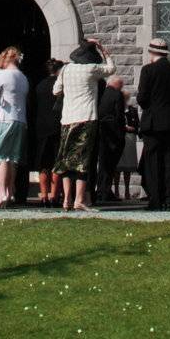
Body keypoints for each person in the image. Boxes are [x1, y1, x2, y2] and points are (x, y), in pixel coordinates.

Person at [54, 39, 114, 211]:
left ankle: (67, 199)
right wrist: (103, 49)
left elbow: (56, 90)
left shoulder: (65, 69)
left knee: (65, 159)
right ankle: (79, 199)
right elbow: (111, 68)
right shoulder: (91, 69)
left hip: (67, 119)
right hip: (86, 117)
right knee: (83, 160)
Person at [135, 38, 170, 212]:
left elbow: (142, 98)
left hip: (153, 123)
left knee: (153, 163)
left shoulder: (148, 70)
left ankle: (155, 200)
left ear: (151, 52)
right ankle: (169, 200)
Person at [0, 47, 30, 209]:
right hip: (19, 120)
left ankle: (2, 193)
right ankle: (10, 191)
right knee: (12, 158)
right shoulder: (23, 77)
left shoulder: (2, 75)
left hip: (3, 118)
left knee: (1, 157)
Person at [30, 58, 64, 207]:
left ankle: (44, 196)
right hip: (57, 126)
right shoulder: (61, 86)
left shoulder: (40, 86)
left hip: (42, 127)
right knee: (57, 162)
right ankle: (54, 196)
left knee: (43, 163)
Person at [95, 75, 127, 204]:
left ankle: (101, 191)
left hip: (101, 132)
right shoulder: (117, 95)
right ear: (117, 85)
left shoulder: (100, 94)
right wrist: (121, 132)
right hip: (113, 134)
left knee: (102, 164)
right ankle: (105, 191)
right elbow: (119, 115)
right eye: (121, 85)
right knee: (110, 165)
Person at [118, 95, 141, 199]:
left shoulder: (132, 110)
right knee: (117, 167)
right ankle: (116, 191)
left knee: (128, 167)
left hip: (130, 140)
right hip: (120, 138)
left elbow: (137, 125)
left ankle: (127, 191)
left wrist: (132, 128)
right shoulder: (117, 109)